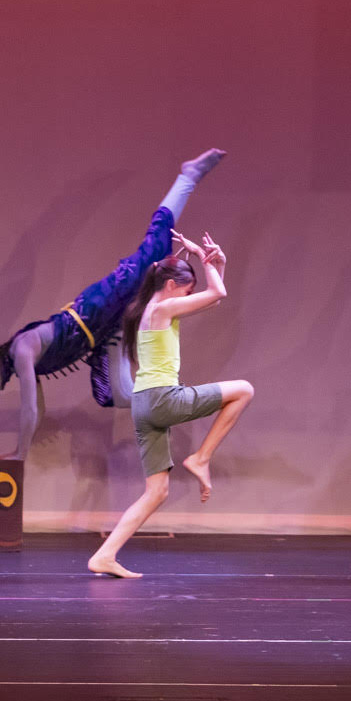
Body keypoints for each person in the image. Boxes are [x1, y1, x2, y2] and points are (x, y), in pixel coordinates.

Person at [0, 149, 226, 459]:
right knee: (120, 393)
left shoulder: (21, 351)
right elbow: (38, 410)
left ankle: (188, 176)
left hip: (98, 307)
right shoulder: (22, 359)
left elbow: (29, 408)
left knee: (154, 245)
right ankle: (173, 398)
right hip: (99, 333)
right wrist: (18, 451)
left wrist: (19, 454)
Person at [87, 232, 253, 578]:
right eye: (186, 291)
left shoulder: (149, 309)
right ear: (171, 285)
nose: (188, 298)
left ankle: (105, 555)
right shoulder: (163, 308)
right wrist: (208, 262)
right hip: (163, 399)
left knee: (157, 492)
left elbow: (213, 299)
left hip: (143, 404)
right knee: (244, 390)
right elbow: (218, 294)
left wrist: (217, 264)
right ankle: (201, 458)